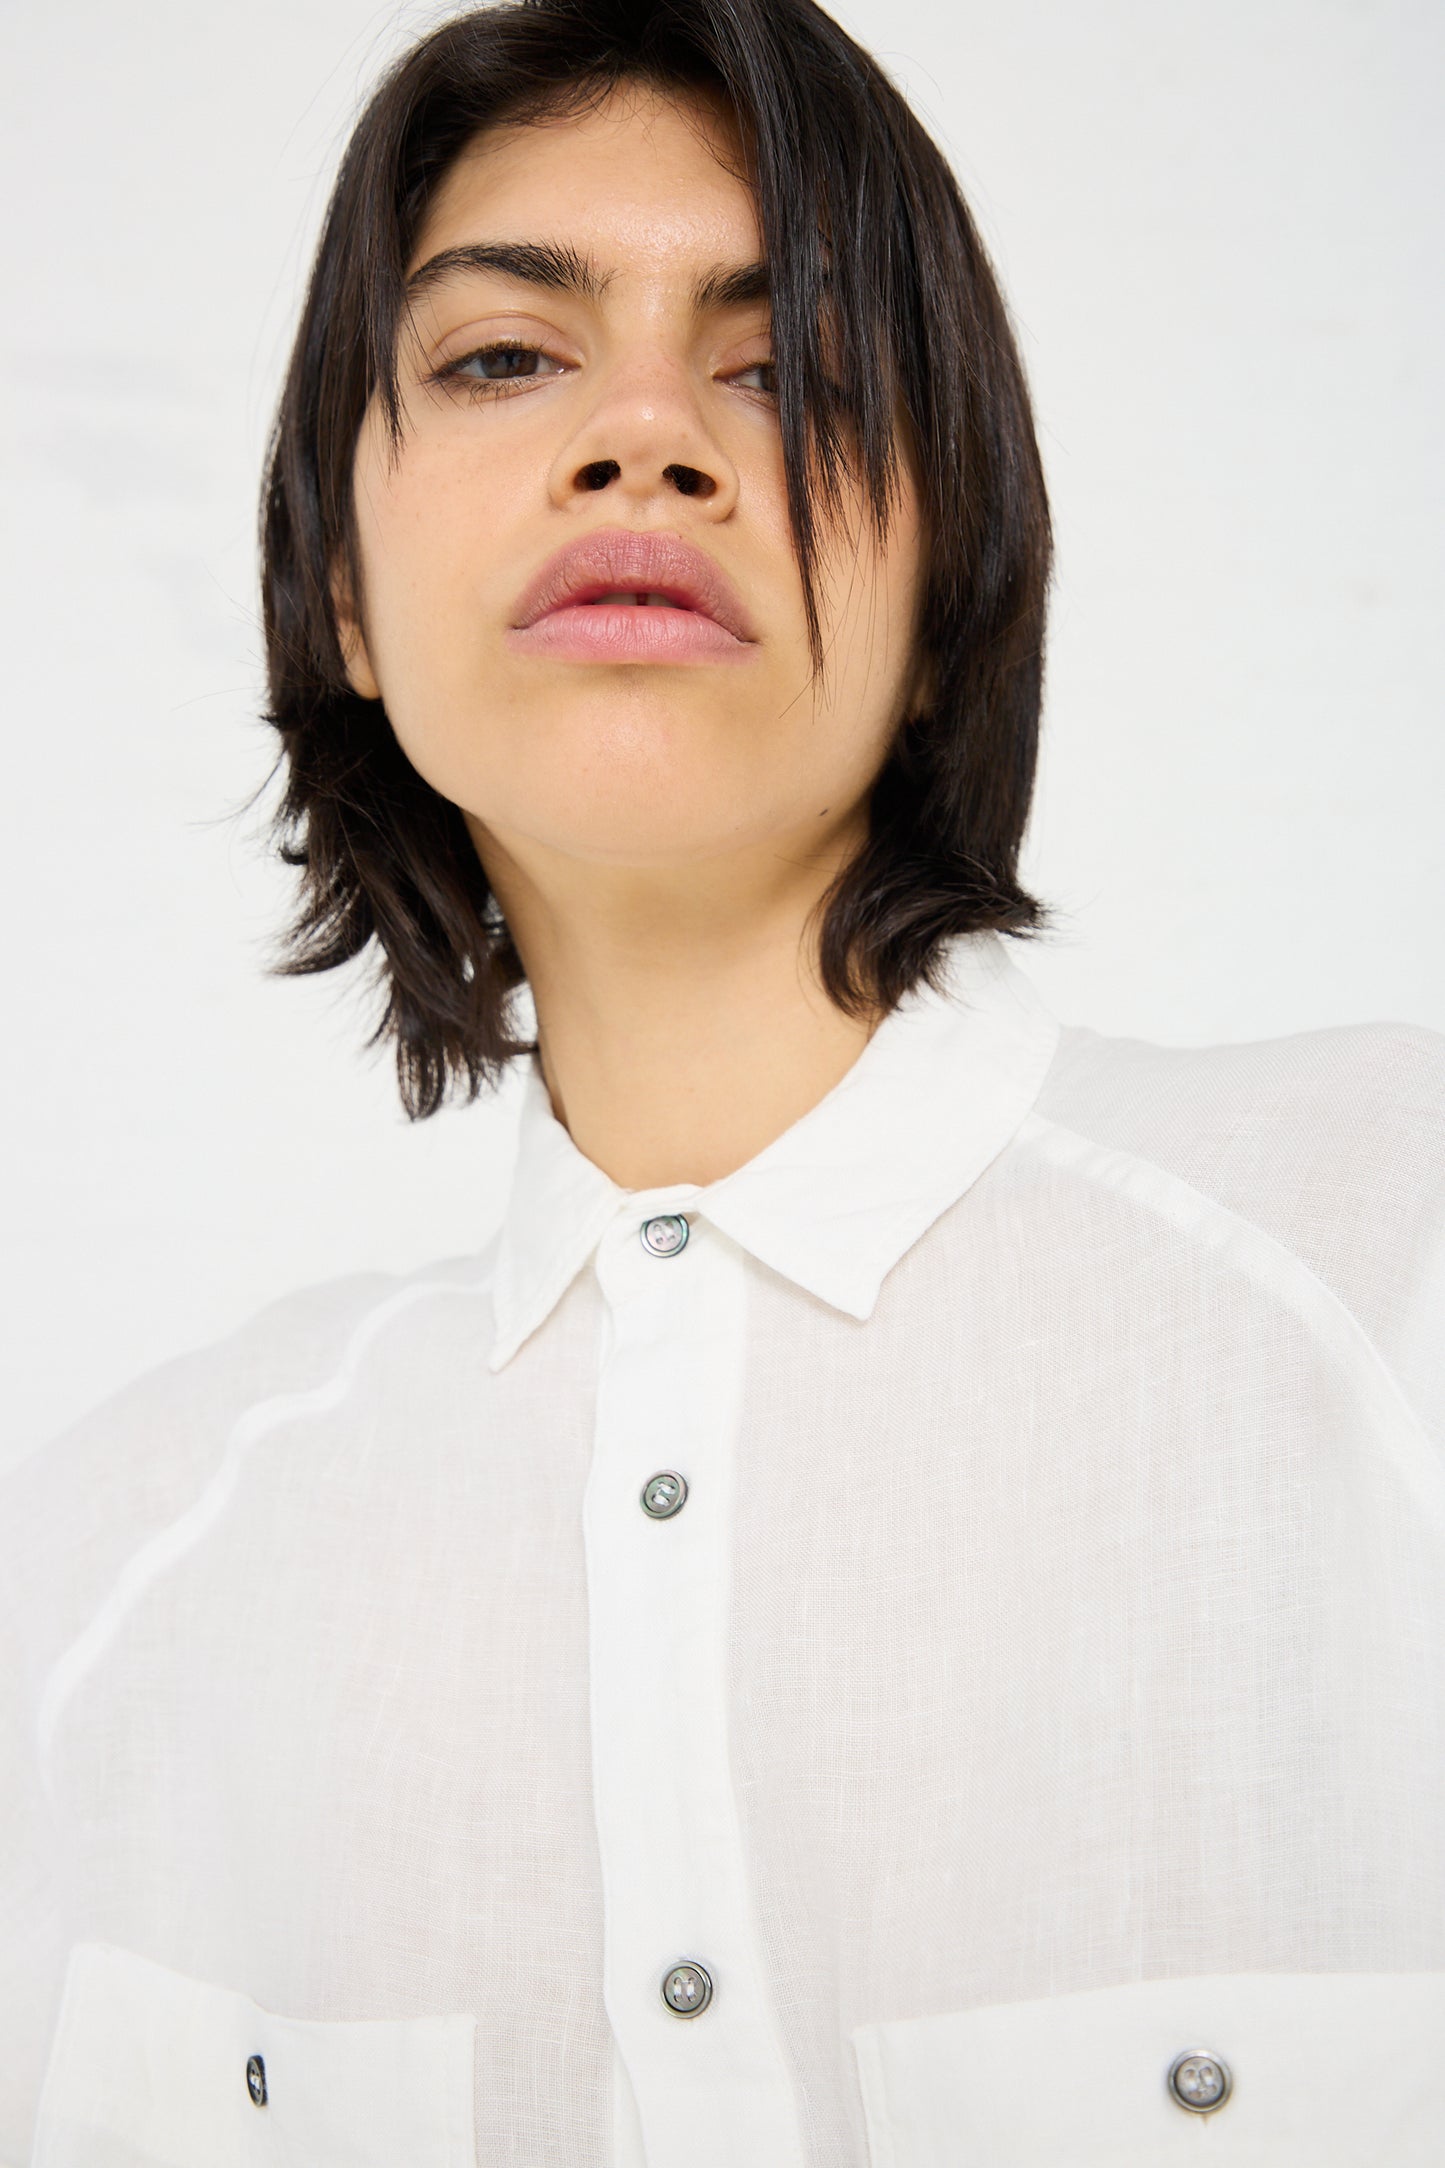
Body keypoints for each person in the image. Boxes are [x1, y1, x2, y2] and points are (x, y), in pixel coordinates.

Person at [3, 0, 1442, 2161]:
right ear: (343, 588)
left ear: (948, 586)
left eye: (783, 370)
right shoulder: (112, 1580)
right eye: (505, 356)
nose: (648, 434)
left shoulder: (1396, 1276)